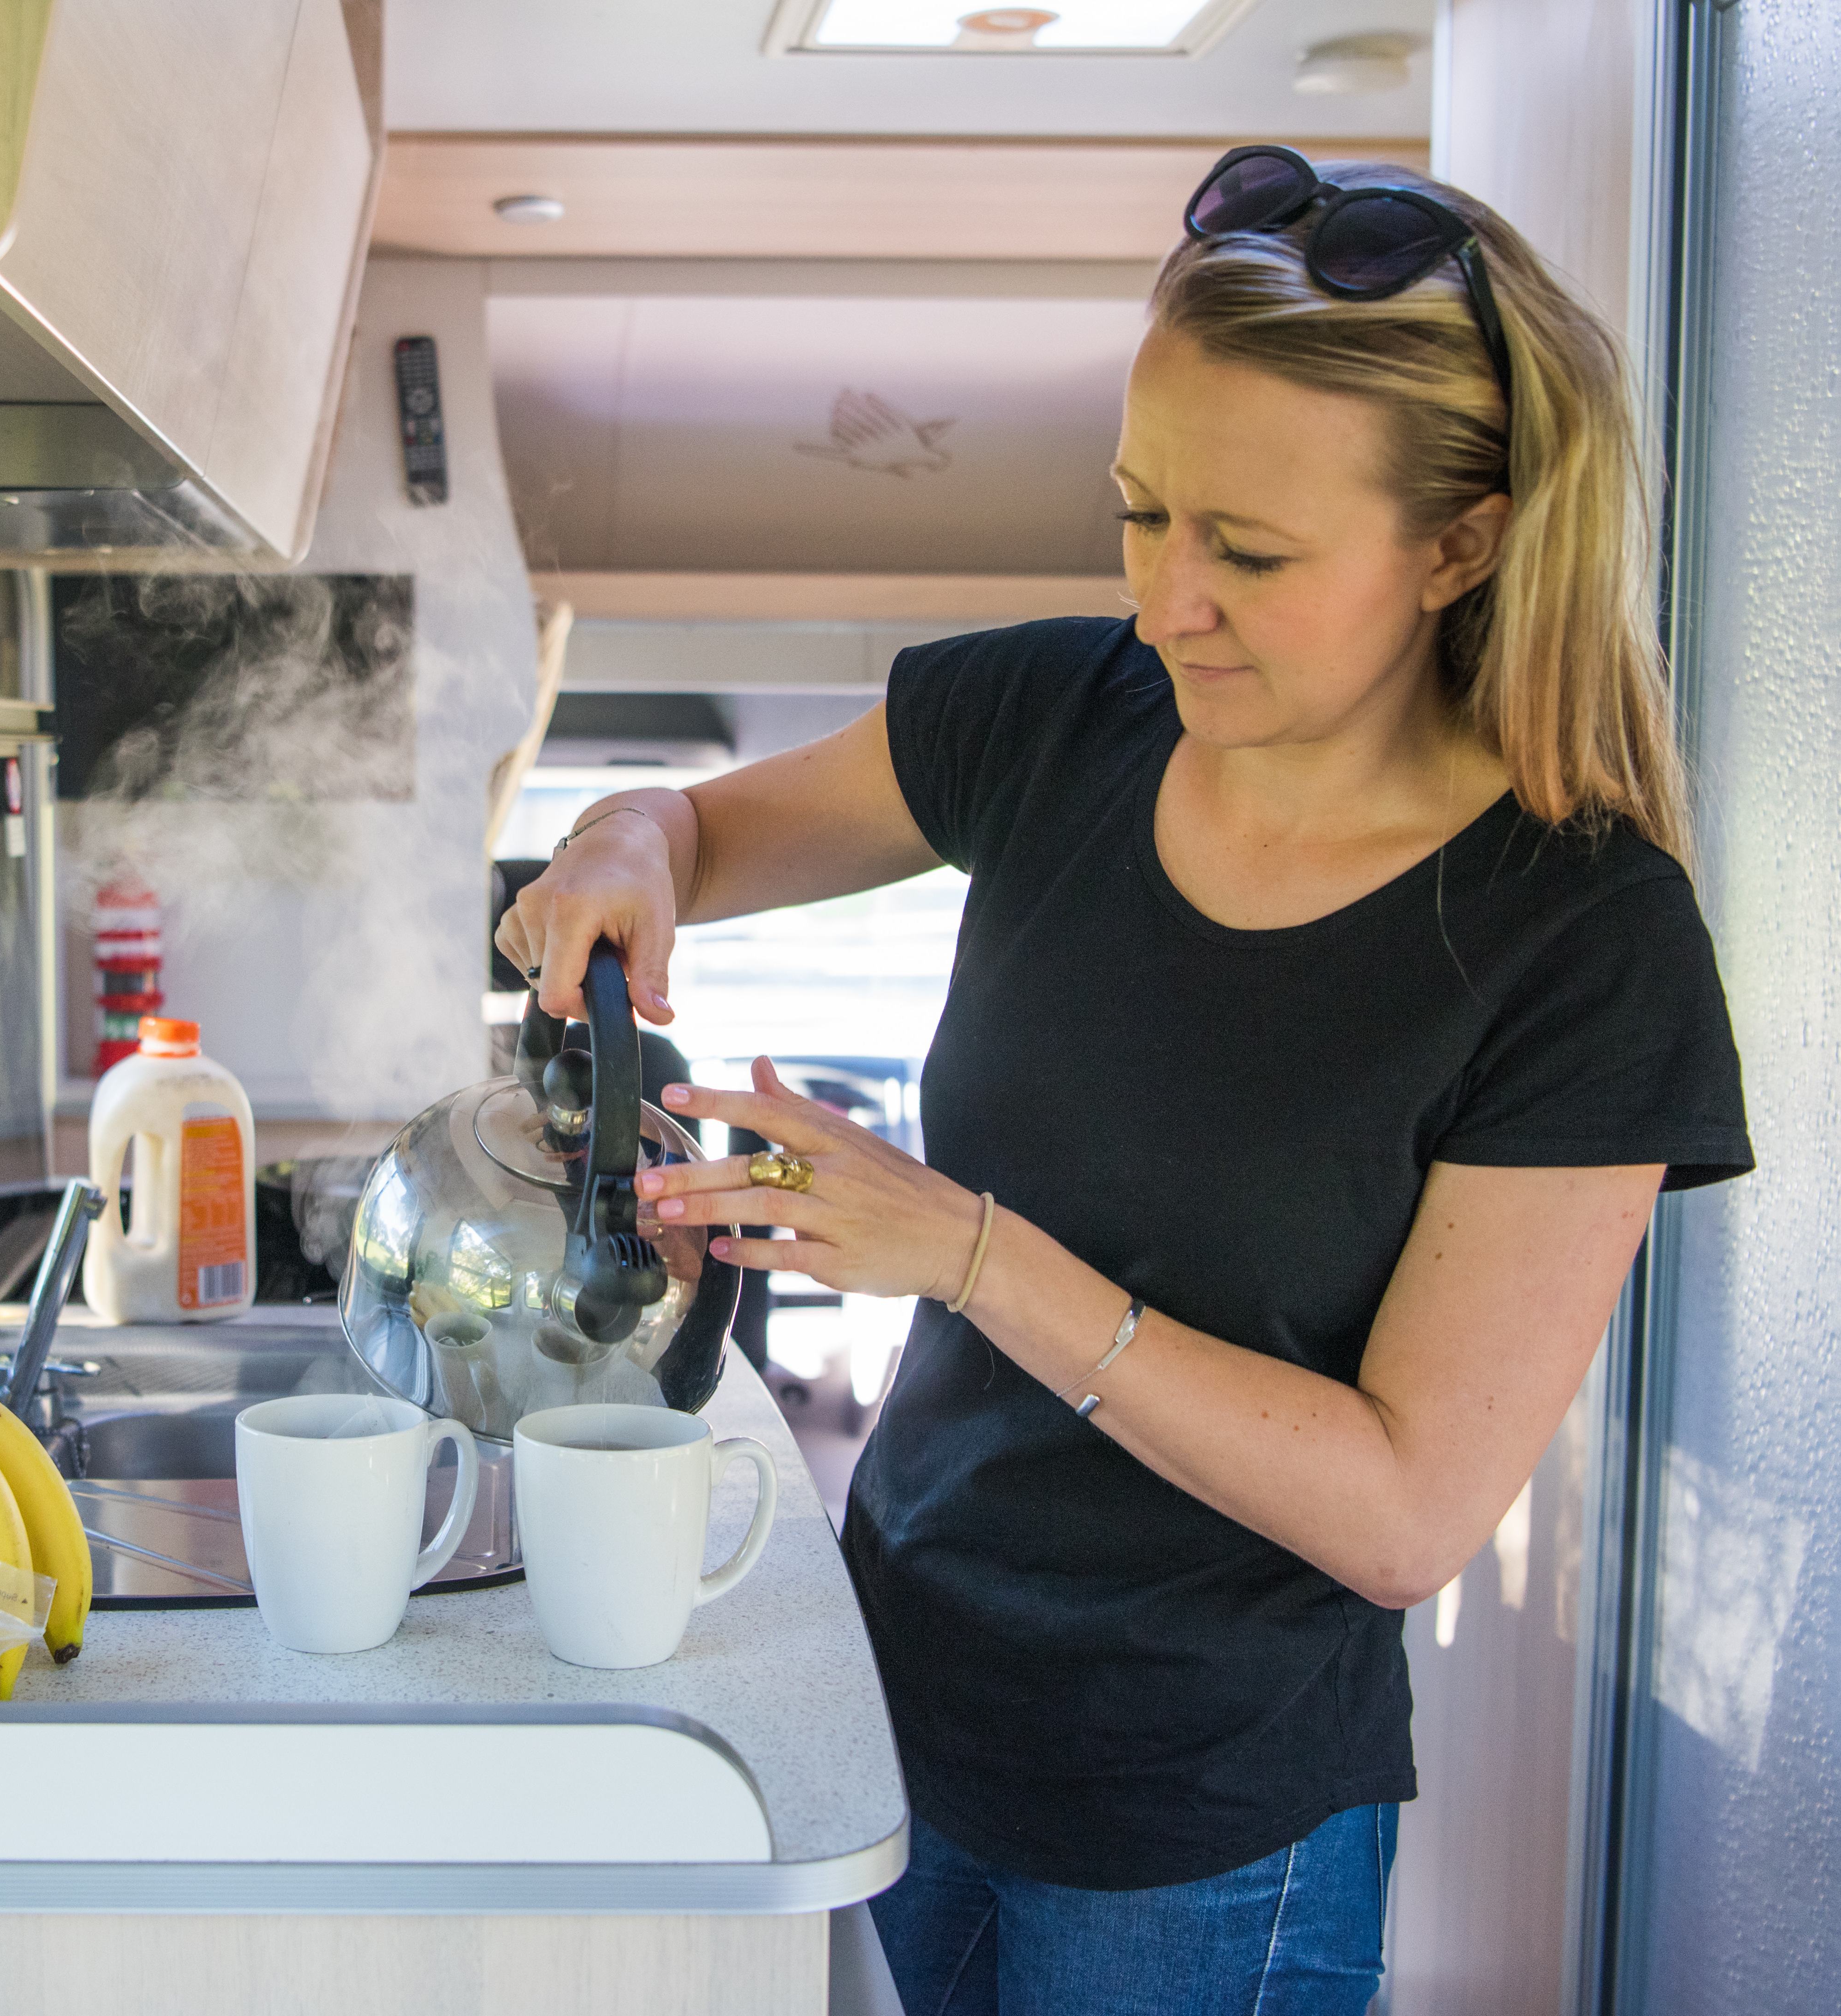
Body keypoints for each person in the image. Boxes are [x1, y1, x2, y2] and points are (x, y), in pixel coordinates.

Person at [495, 148, 1750, 2015]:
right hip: (897, 1709)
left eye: (1245, 552)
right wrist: (611, 847)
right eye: (1138, 514)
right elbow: (681, 821)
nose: (1169, 602)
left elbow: (1404, 1508)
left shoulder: (1580, 941)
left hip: (1203, 1827)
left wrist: (966, 1250)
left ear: (1458, 543)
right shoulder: (1052, 722)